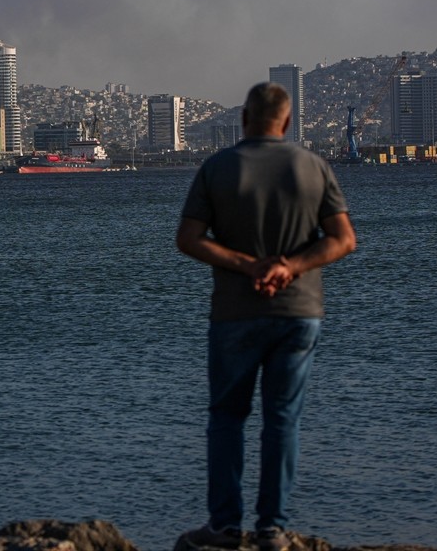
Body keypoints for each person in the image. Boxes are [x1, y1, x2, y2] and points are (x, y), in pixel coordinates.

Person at [175, 81, 356, 551]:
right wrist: (289, 266)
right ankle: (272, 530)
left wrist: (246, 265)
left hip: (235, 313)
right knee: (282, 420)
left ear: (244, 119)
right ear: (288, 122)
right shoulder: (314, 167)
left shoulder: (216, 168)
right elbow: (342, 240)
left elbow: (189, 239)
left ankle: (224, 528)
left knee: (226, 418)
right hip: (299, 313)